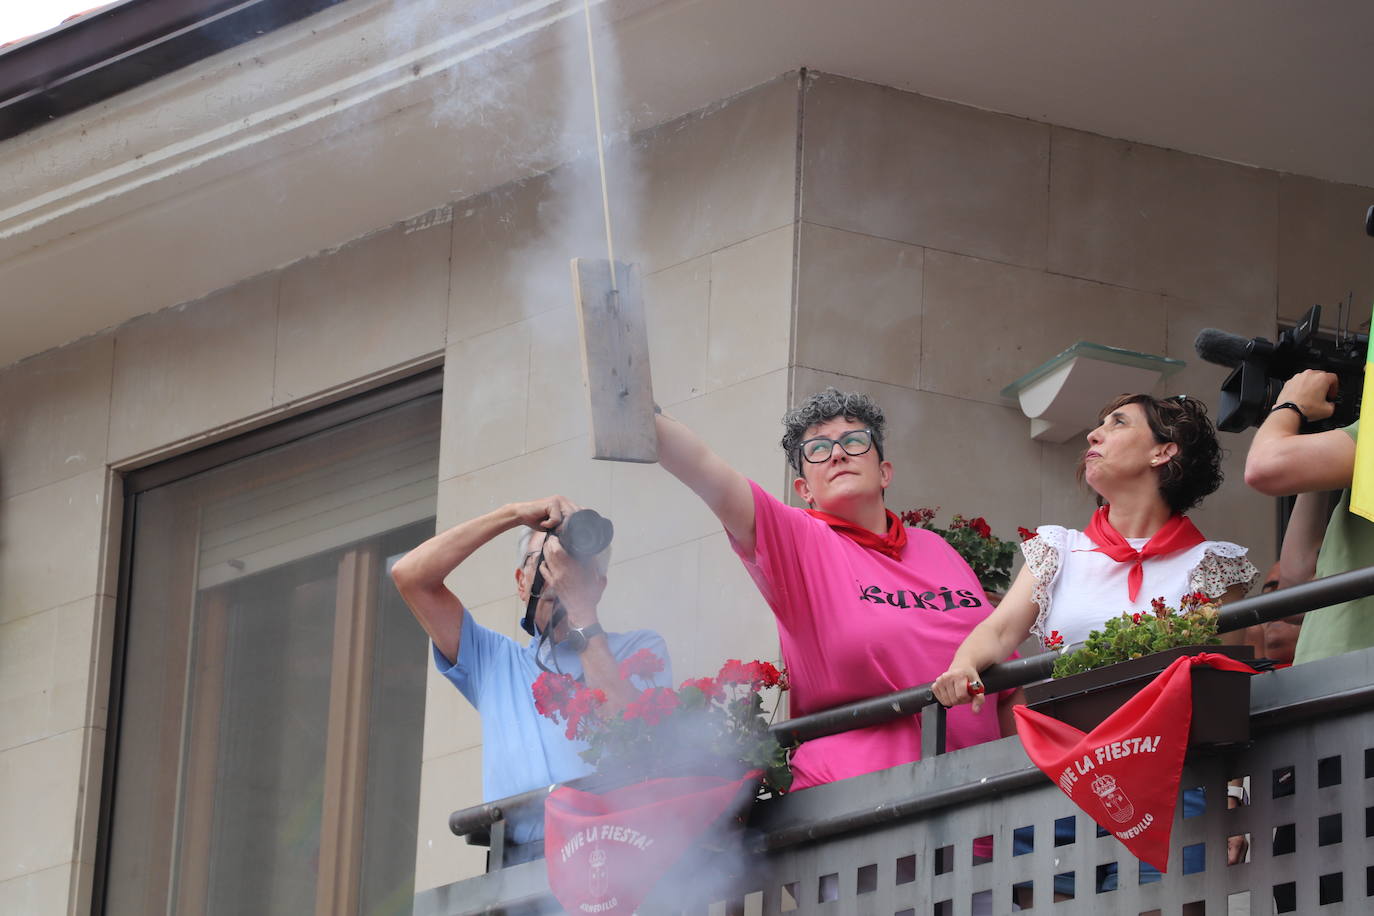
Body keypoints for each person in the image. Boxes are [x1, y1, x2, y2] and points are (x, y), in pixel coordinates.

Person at [934, 394, 1259, 883]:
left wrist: (1232, 796)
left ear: (1163, 452)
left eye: (1118, 423)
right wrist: (964, 664)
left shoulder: (1212, 564)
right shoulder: (1058, 550)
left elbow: (1231, 689)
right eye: (1098, 423)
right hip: (1061, 780)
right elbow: (998, 630)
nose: (1094, 434)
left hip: (1174, 783)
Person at [653, 387, 1017, 792]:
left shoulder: (937, 549)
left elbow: (1005, 680)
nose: (838, 454)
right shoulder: (800, 541)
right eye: (818, 450)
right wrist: (640, 411)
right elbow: (706, 471)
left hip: (981, 807)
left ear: (885, 472)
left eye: (855, 441)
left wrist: (1022, 782)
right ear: (804, 490)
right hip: (861, 810)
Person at [390, 496, 671, 844]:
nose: (558, 574)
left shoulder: (638, 650)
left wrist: (581, 611)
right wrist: (511, 514)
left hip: (614, 854)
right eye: (545, 562)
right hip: (518, 872)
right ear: (522, 582)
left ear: (598, 586)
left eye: (574, 565)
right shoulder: (493, 661)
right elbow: (410, 576)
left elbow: (631, 731)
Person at [1244, 368, 1371, 663]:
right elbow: (1297, 584)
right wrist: (1318, 449)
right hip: (1333, 669)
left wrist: (1290, 405)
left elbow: (1265, 468)